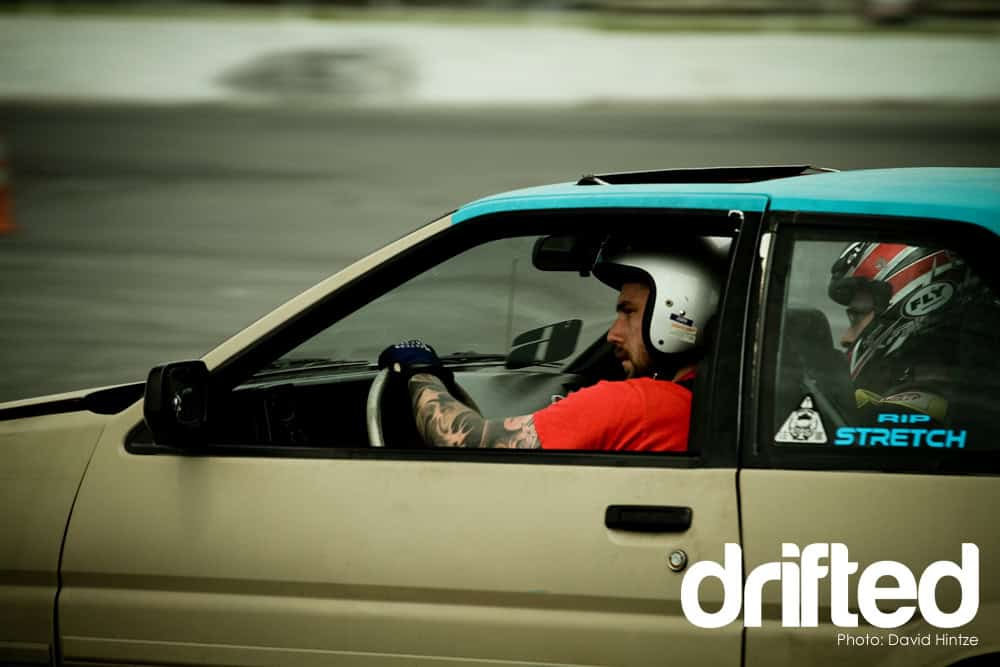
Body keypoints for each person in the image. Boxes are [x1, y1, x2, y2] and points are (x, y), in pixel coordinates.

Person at [377, 240, 724, 451]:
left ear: (679, 310)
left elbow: (469, 443)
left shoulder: (639, 406)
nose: (612, 335)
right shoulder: (711, 405)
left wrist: (420, 373)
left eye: (628, 312)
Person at [827, 240, 980, 421]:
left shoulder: (904, 417)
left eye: (858, 316)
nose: (845, 338)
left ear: (919, 301)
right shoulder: (972, 393)